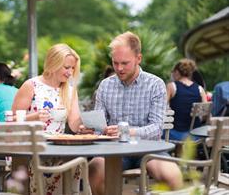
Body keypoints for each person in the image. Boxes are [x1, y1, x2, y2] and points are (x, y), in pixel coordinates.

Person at [89, 32, 183, 195]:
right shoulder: (105, 86)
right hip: (113, 150)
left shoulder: (155, 84)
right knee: (94, 169)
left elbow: (156, 129)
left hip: (149, 149)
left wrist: (126, 131)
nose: (119, 68)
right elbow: (99, 127)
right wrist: (96, 129)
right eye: (115, 63)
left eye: (125, 63)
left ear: (138, 58)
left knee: (173, 176)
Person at [12, 43, 92, 194]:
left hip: (58, 148)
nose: (70, 72)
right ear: (53, 63)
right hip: (32, 149)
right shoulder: (31, 85)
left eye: (73, 68)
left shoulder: (69, 91)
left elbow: (74, 125)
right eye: (66, 67)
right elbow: (12, 120)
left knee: (76, 162)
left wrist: (84, 126)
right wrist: (34, 117)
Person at [167, 59, 207, 141]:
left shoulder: (171, 86)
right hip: (196, 134)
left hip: (176, 133)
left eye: (173, 72)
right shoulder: (200, 89)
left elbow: (161, 107)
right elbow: (205, 112)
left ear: (177, 72)